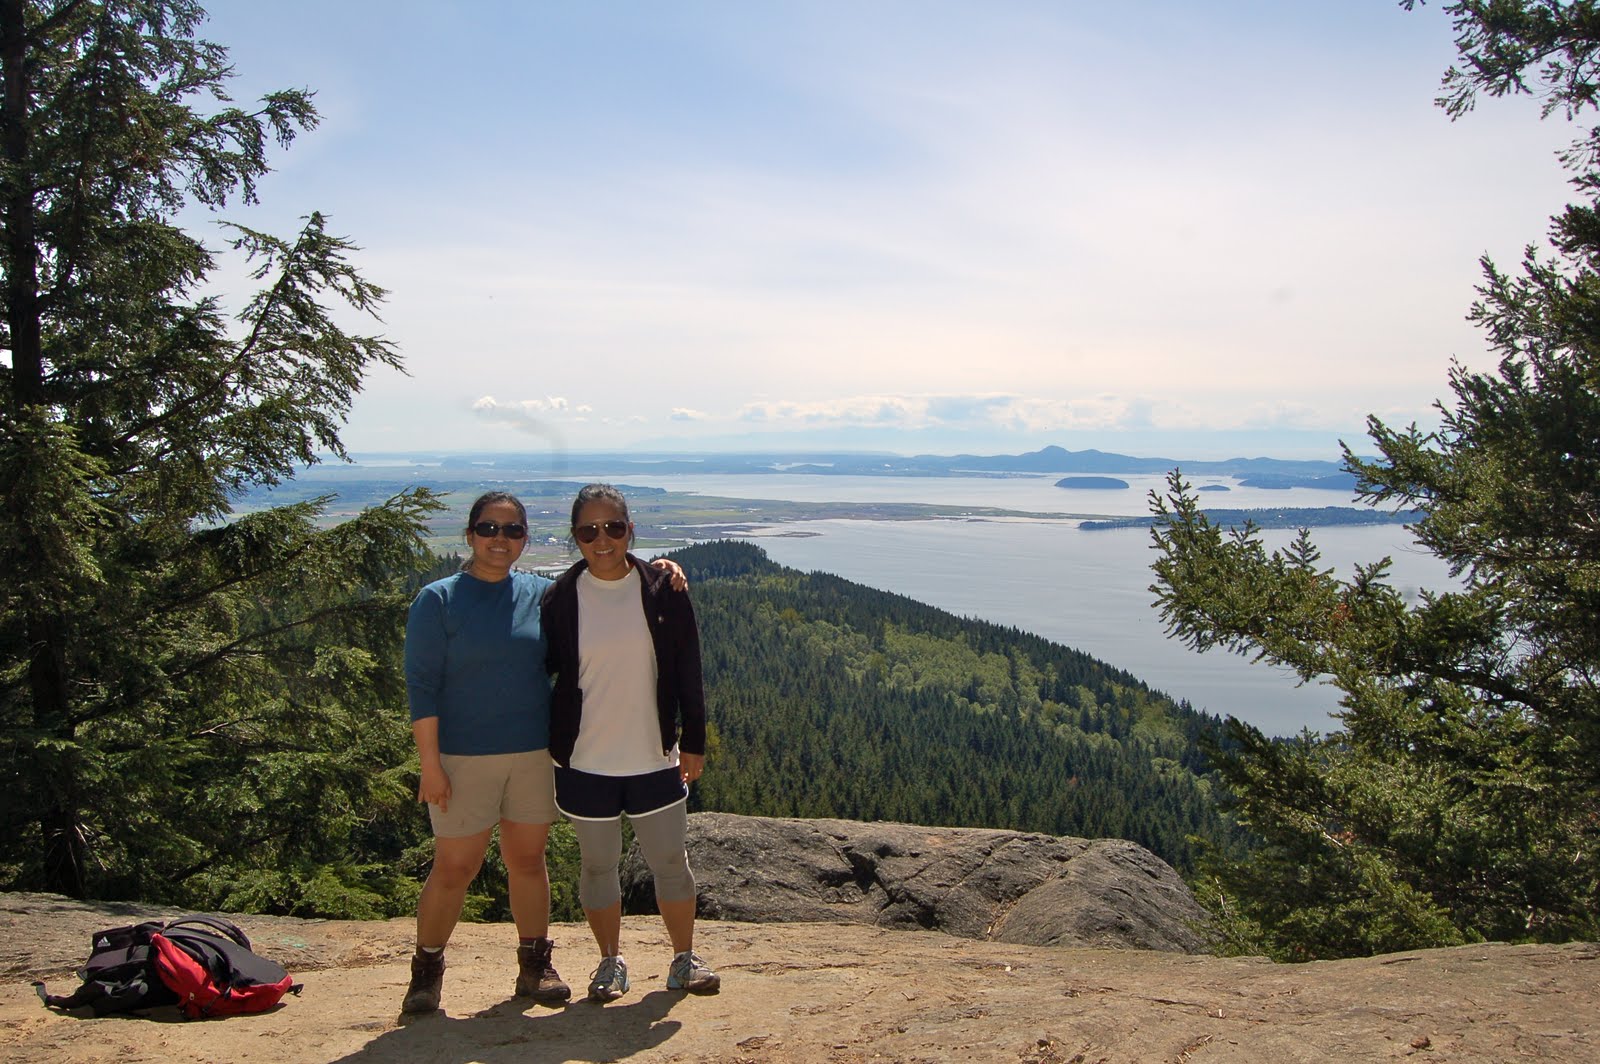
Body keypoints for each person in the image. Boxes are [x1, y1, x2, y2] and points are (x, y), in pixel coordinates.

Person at [400, 490, 684, 1014]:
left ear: (525, 540)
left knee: (527, 862)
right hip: (463, 758)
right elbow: (422, 686)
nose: (499, 540)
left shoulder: (539, 593)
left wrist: (661, 569)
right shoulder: (438, 599)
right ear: (470, 535)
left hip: (535, 754)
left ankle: (533, 965)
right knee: (453, 868)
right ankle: (427, 971)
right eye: (488, 529)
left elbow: (604, 584)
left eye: (511, 531)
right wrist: (430, 765)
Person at [541, 483, 719, 1002]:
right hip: (584, 760)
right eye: (588, 530)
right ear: (575, 537)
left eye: (613, 527)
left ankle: (684, 958)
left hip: (654, 754)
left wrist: (695, 740)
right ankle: (609, 962)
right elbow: (543, 668)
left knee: (670, 862)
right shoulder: (559, 598)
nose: (602, 539)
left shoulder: (665, 589)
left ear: (630, 530)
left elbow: (689, 670)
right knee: (598, 866)